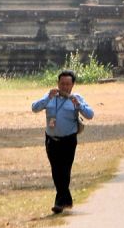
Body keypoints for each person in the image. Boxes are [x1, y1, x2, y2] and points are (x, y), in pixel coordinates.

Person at [31, 70, 93, 214]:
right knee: (55, 170)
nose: (64, 87)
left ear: (72, 85)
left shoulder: (76, 98)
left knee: (65, 170)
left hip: (68, 140)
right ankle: (66, 200)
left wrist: (79, 105)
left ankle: (59, 202)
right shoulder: (50, 96)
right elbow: (34, 108)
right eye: (62, 83)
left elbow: (90, 115)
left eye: (67, 84)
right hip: (51, 139)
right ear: (58, 83)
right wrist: (47, 98)